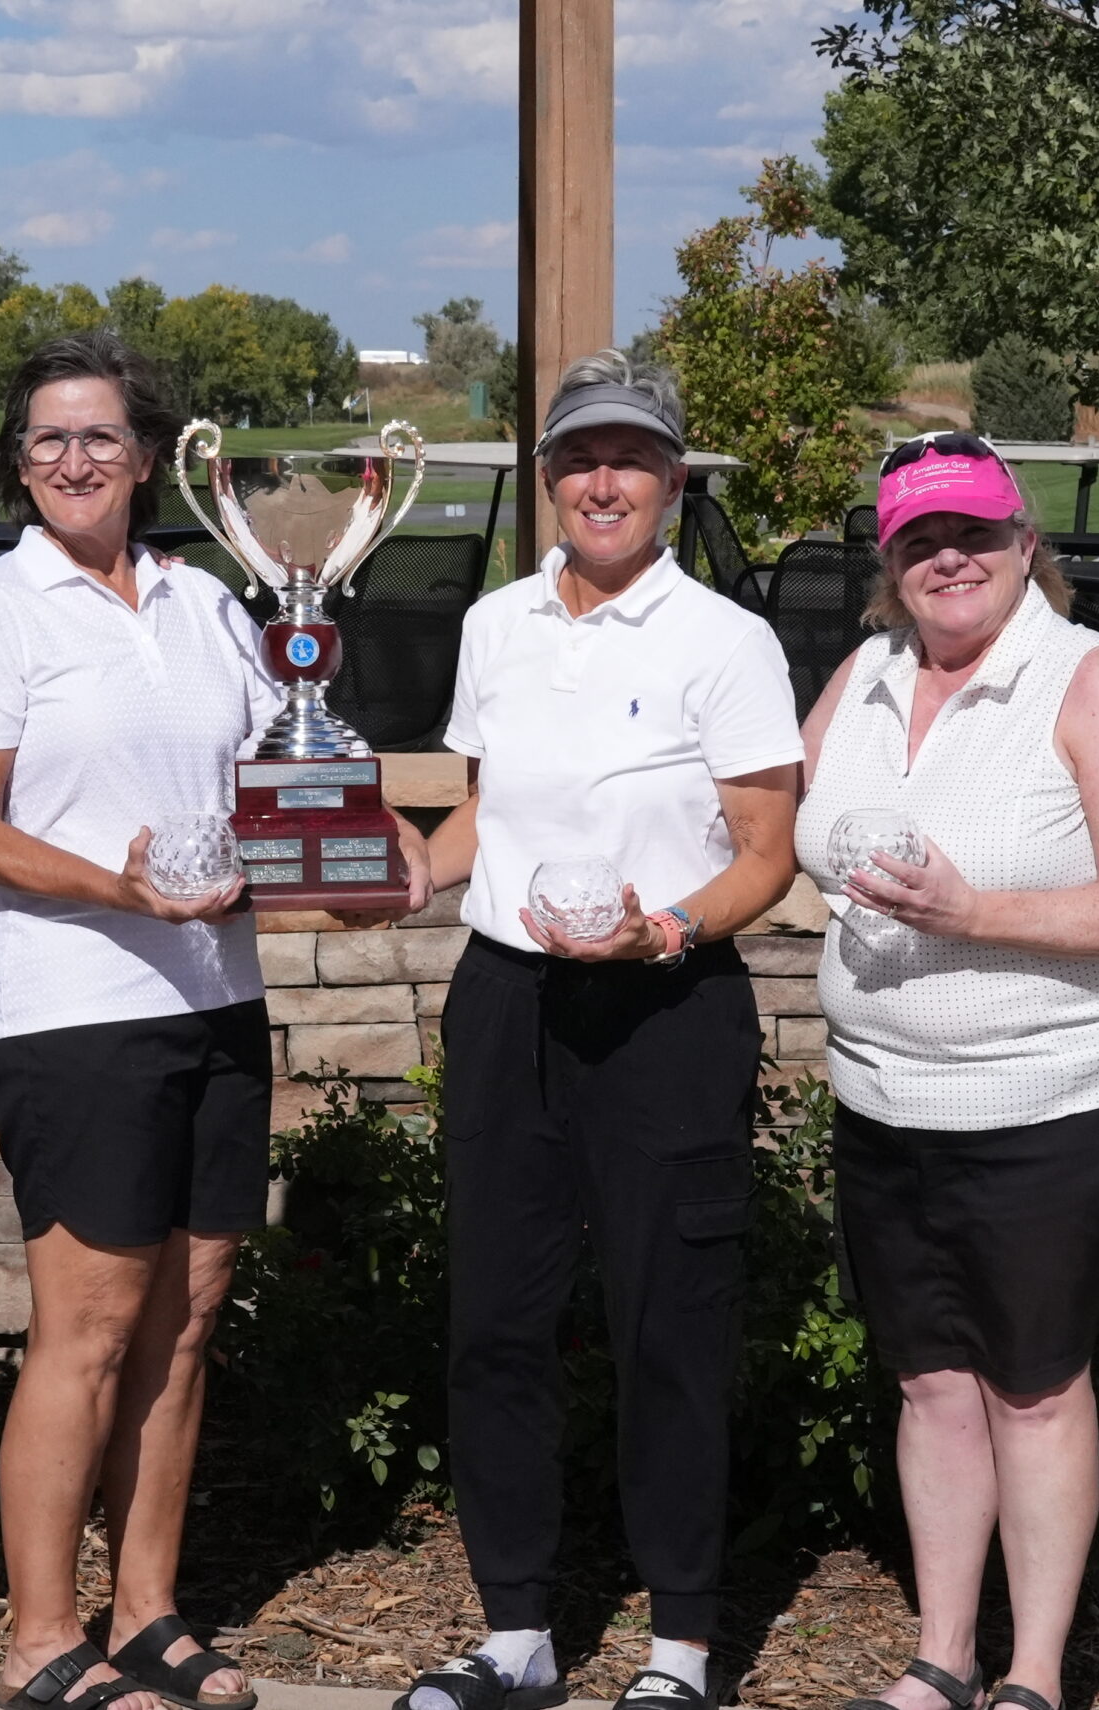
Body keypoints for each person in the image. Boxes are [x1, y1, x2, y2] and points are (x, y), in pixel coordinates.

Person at [0, 330, 427, 1710]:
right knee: (85, 1327)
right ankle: (39, 1637)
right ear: (18, 465)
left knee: (187, 1323)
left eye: (100, 436)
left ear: (147, 458)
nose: (75, 459)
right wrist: (120, 887)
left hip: (215, 999)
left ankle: (146, 1613)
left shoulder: (206, 601)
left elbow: (279, 768)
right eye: (48, 439)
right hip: (74, 1011)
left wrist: (363, 843)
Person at [397, 351, 803, 1710]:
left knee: (668, 1327)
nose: (603, 480)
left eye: (630, 457)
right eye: (580, 457)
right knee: (495, 1324)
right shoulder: (498, 623)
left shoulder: (725, 641)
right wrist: (411, 866)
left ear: (673, 480)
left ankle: (680, 1645)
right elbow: (487, 808)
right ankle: (515, 1631)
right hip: (507, 1003)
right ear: (548, 480)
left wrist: (665, 930)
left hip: (666, 1007)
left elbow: (766, 852)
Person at [797, 434, 1099, 1710]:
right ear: (889, 564)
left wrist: (971, 913)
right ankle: (942, 1658)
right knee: (930, 1381)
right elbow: (772, 820)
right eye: (920, 540)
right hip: (883, 1097)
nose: (950, 558)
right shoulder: (864, 675)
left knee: (1030, 1387)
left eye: (973, 532)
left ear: (1026, 544)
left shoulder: (1089, 679)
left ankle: (1032, 1673)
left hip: (1051, 1097)